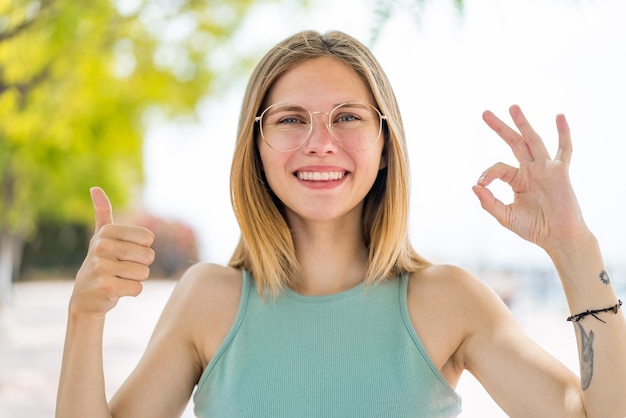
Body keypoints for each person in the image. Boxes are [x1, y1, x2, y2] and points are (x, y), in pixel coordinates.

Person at [56, 30, 626, 417]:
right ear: (255, 147)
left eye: (347, 117)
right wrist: (85, 316)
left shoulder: (448, 300)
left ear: (384, 146)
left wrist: (574, 250)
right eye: (291, 119)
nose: (320, 143)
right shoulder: (209, 300)